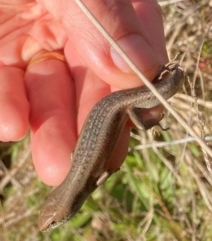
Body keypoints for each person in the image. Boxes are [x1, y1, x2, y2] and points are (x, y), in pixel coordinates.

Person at [0, 0, 168, 186]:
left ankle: (159, 98)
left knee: (141, 104)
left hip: (117, 104)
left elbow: (103, 174)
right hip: (111, 104)